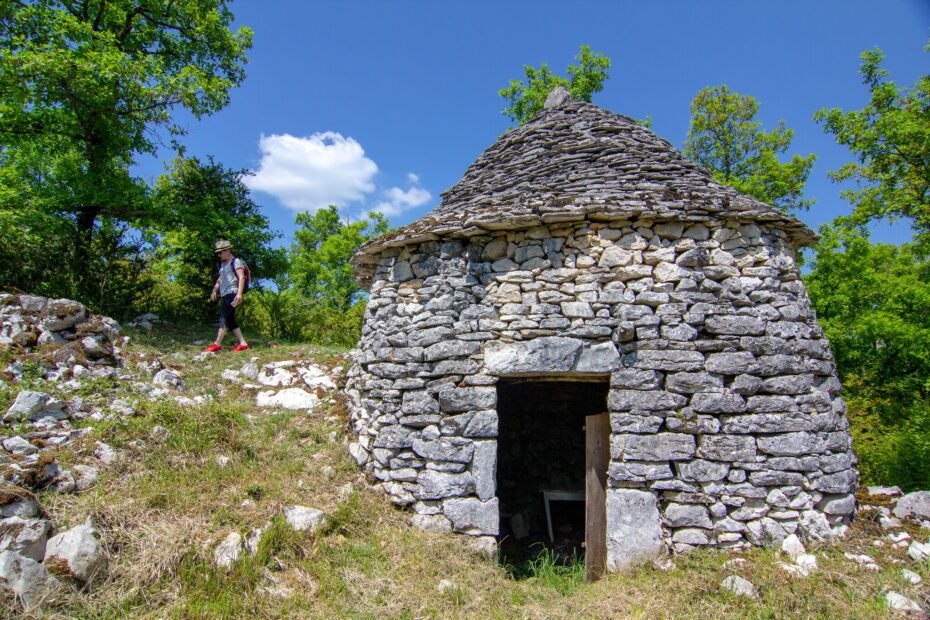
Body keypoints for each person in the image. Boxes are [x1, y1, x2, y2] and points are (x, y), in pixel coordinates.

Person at [204, 240, 250, 352]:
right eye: (217, 253)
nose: (218, 255)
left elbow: (241, 277)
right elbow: (220, 279)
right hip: (225, 294)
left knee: (223, 317)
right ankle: (243, 343)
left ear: (228, 250)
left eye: (220, 252)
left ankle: (217, 343)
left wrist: (239, 294)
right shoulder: (223, 265)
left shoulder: (236, 261)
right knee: (230, 319)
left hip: (233, 293)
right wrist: (214, 290)